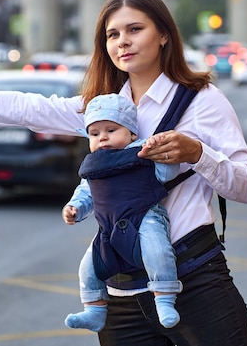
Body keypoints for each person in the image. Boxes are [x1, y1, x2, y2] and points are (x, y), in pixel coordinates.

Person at [0, 0, 247, 346]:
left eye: (135, 29)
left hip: (195, 280)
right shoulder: (102, 108)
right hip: (121, 290)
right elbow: (22, 108)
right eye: (112, 34)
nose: (122, 41)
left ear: (163, 35)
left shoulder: (203, 101)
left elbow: (246, 186)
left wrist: (197, 154)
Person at [63, 93, 183, 332]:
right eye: (94, 134)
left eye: (111, 130)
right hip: (109, 227)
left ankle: (165, 299)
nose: (103, 138)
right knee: (88, 267)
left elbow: (167, 175)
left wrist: (164, 155)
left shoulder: (142, 152)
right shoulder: (95, 164)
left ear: (131, 133)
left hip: (145, 216)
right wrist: (74, 208)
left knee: (157, 252)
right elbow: (86, 191)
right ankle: (94, 309)